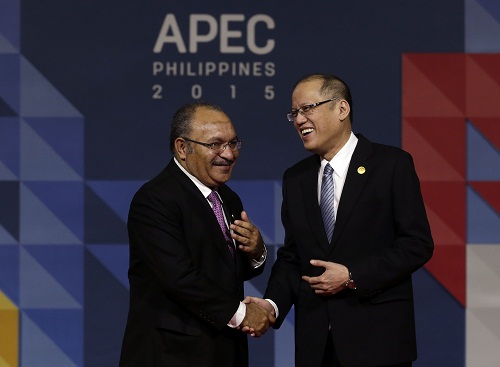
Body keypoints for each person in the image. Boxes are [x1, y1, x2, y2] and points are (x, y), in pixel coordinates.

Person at [244, 74, 434, 366]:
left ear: (341, 109)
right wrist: (271, 304)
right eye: (294, 113)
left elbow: (417, 244)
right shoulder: (296, 178)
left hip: (378, 342)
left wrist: (352, 275)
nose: (298, 120)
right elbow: (294, 257)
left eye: (307, 108)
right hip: (316, 345)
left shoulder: (391, 165)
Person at [119, 101, 275, 367]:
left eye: (233, 143)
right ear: (183, 148)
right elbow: (178, 277)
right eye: (215, 144)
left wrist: (256, 251)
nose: (228, 154)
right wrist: (241, 314)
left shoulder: (228, 199)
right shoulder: (155, 200)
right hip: (172, 355)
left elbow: (224, 270)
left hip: (225, 351)